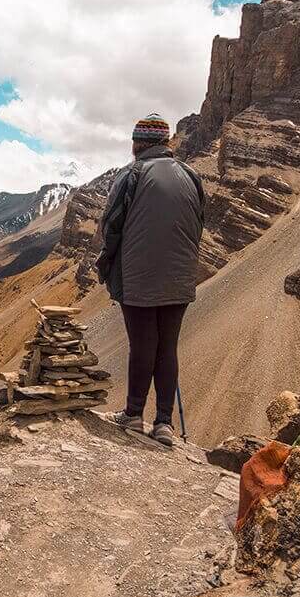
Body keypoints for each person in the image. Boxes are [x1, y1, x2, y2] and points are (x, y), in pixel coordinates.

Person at [95, 113, 204, 445]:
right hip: (180, 275)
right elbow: (199, 224)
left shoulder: (132, 174)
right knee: (167, 347)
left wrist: (106, 261)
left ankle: (132, 414)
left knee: (142, 345)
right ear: (166, 142)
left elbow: (111, 226)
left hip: (139, 275)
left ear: (137, 143)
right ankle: (164, 423)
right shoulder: (191, 175)